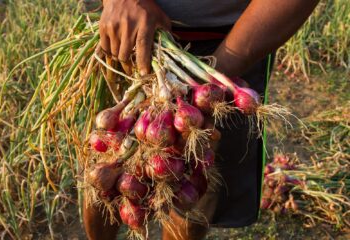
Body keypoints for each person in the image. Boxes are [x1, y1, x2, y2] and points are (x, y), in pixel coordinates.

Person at [83, 0, 319, 239]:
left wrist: (209, 84)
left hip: (239, 36)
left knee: (194, 188)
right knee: (102, 166)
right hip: (122, 25)